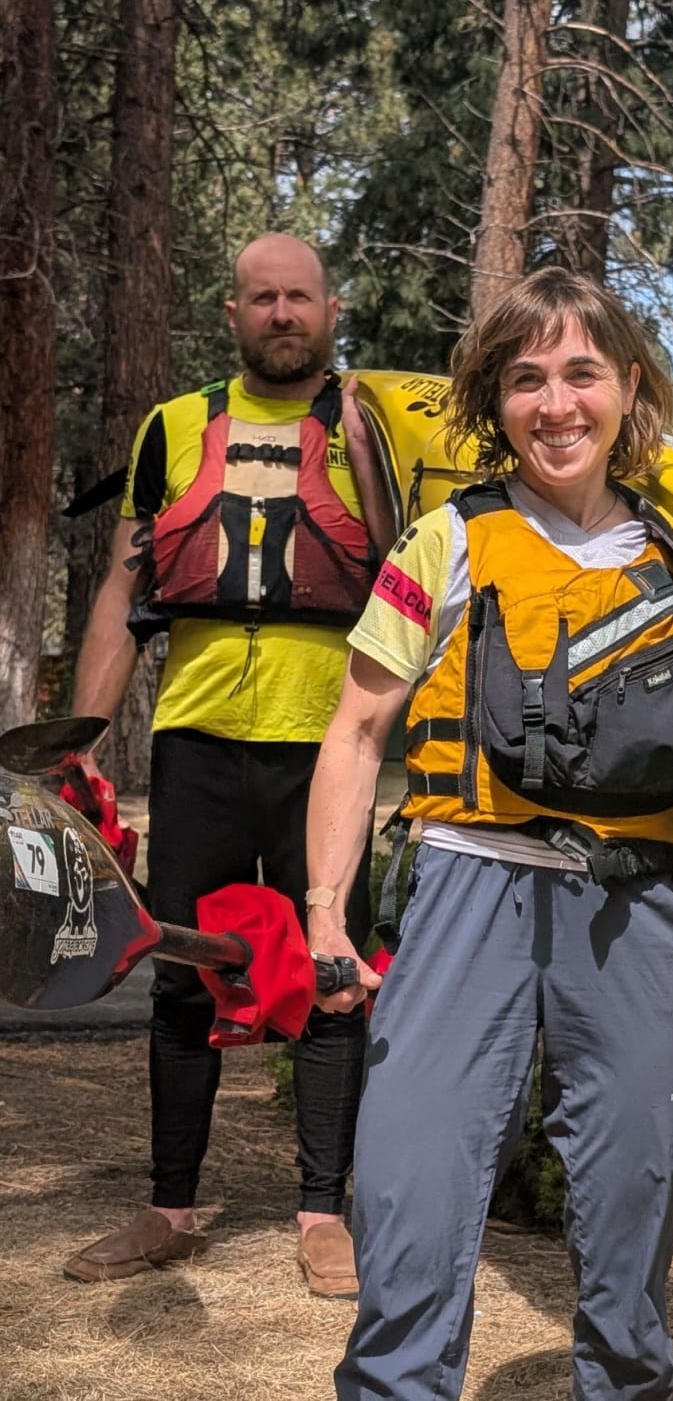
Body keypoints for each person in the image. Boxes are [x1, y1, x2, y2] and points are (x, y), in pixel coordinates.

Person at [306, 267, 673, 1399]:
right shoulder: (443, 542)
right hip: (463, 885)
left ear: (628, 387)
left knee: (636, 1190)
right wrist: (324, 909)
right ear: (495, 402)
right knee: (411, 1189)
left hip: (631, 906)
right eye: (526, 379)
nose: (556, 405)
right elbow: (355, 732)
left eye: (582, 373)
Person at [63, 233, 393, 1297]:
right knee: (181, 968)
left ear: (330, 310)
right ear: (233, 310)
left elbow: (407, 568)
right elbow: (124, 593)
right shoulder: (174, 429)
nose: (283, 314)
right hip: (198, 735)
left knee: (331, 975)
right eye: (264, 298)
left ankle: (321, 1213)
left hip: (326, 742)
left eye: (300, 297)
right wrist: (76, 746)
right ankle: (170, 1207)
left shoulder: (367, 427)